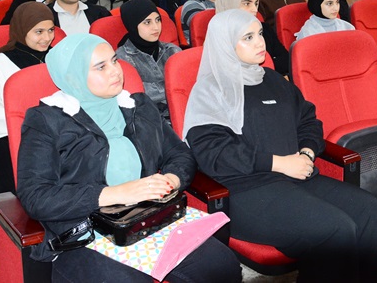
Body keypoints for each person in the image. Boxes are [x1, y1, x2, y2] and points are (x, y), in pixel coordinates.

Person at [15, 34, 241, 282]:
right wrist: (116, 193)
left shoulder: (138, 106)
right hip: (85, 233)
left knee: (224, 267)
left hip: (149, 218)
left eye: (114, 61)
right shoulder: (46, 121)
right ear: (72, 77)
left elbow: (179, 153)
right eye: (101, 67)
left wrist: (171, 179)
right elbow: (35, 196)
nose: (115, 71)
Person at [185, 10, 377, 283]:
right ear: (225, 44)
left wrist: (306, 152)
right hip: (247, 189)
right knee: (334, 230)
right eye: (248, 37)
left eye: (259, 34)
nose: (261, 43)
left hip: (297, 176)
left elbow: (309, 122)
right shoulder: (210, 89)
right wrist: (279, 163)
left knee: (369, 210)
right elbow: (214, 153)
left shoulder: (273, 79)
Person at [0, 2, 56, 195]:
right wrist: (30, 126)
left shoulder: (58, 58)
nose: (47, 38)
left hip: (58, 130)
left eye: (51, 30)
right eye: (39, 32)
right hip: (11, 134)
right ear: (22, 30)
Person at [116, 0, 180, 122]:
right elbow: (140, 94)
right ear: (133, 25)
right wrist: (174, 88)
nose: (156, 27)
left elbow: (189, 86)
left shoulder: (173, 50)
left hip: (182, 113)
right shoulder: (122, 58)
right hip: (148, 121)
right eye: (147, 22)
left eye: (158, 20)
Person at [215, 0, 289, 76]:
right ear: (231, 5)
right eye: (247, 4)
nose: (254, 9)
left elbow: (286, 60)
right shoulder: (219, 37)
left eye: (256, 3)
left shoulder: (264, 28)